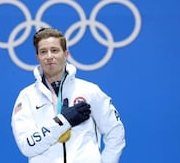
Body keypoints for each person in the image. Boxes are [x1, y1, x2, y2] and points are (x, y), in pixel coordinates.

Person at [11, 27, 126, 163]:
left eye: (54, 50)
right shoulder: (27, 97)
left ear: (66, 54)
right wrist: (63, 121)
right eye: (43, 52)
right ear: (37, 57)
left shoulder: (89, 90)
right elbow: (27, 146)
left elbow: (115, 132)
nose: (49, 56)